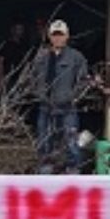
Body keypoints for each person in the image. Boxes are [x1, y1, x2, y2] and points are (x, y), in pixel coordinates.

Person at [31, 19, 88, 173]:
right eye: (54, 35)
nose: (58, 38)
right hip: (45, 106)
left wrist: (73, 96)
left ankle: (73, 168)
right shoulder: (41, 57)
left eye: (61, 35)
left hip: (67, 106)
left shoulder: (76, 57)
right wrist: (39, 94)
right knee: (44, 139)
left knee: (71, 141)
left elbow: (83, 80)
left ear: (67, 36)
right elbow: (33, 78)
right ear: (49, 36)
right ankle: (46, 168)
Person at [0, 21, 29, 96]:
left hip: (21, 79)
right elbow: (0, 62)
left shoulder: (23, 45)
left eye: (22, 29)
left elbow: (26, 62)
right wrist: (1, 80)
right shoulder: (6, 45)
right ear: (13, 30)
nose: (20, 31)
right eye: (18, 29)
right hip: (9, 80)